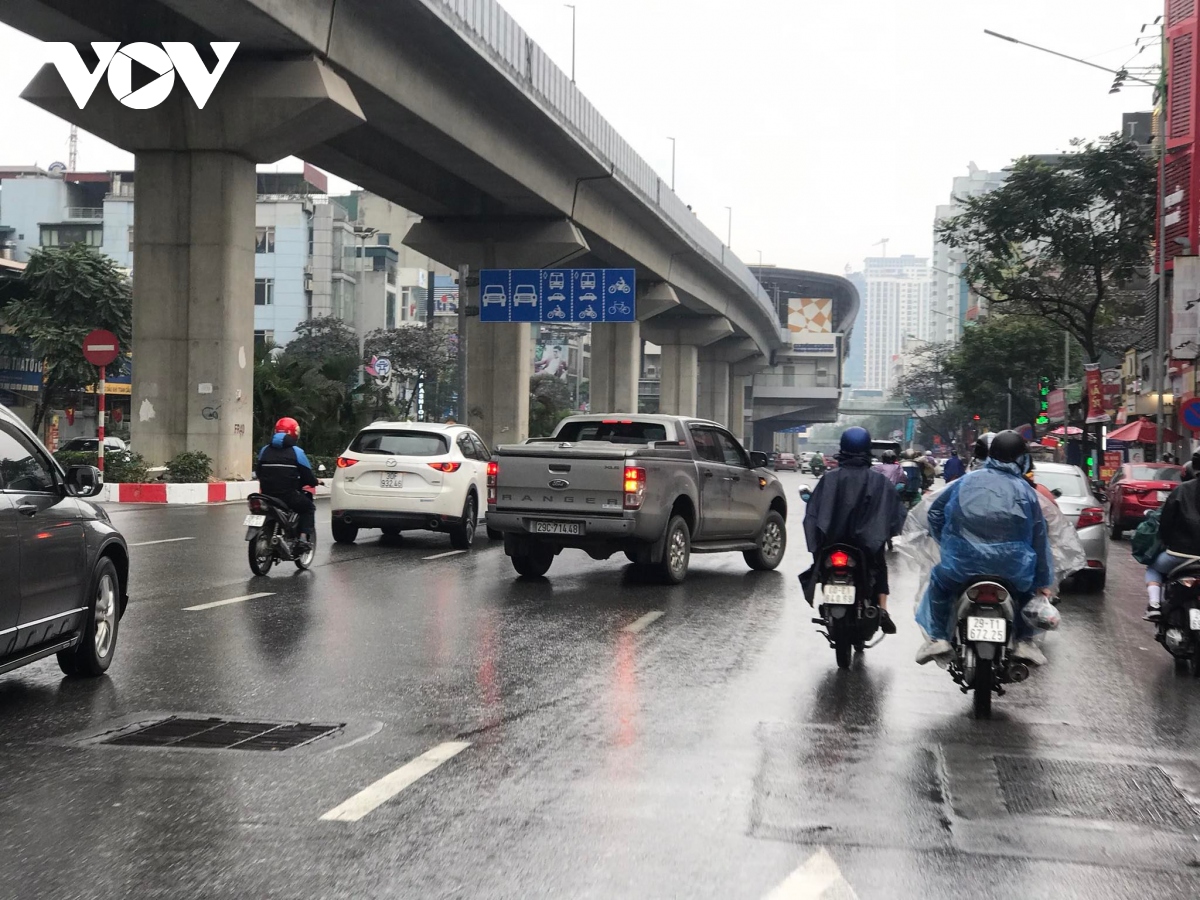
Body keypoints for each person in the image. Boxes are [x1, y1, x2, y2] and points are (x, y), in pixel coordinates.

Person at [914, 430, 1055, 667]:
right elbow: (1039, 539)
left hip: (961, 565)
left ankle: (938, 638)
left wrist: (948, 543)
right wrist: (1043, 582)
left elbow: (935, 513)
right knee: (1028, 593)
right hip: (1013, 569)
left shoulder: (965, 482)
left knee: (938, 581)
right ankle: (1024, 641)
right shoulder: (1026, 492)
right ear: (1022, 459)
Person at [800, 427, 908, 634]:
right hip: (866, 546)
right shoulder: (879, 481)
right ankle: (883, 610)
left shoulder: (829, 479)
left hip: (832, 544)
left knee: (821, 565)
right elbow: (894, 514)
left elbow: (813, 512)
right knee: (879, 565)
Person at [1144, 451, 1200, 620]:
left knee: (1153, 566)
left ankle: (1154, 604)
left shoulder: (1182, 490)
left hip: (1180, 554)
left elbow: (1166, 523)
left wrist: (1168, 542)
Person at [257, 416, 319, 552]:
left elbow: (259, 472)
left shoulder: (264, 450)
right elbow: (308, 477)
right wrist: (315, 482)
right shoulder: (297, 452)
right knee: (308, 508)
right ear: (294, 433)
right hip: (288, 495)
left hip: (266, 495)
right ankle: (302, 539)